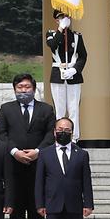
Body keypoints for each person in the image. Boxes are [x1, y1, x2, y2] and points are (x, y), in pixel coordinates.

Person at [0, 73, 54, 219]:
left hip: (38, 165)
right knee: (16, 209)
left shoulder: (45, 109)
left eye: (27, 87)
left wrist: (38, 151)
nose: (23, 90)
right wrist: (14, 151)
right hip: (14, 166)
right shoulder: (6, 109)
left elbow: (49, 134)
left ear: (34, 88)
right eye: (20, 87)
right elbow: (1, 133)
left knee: (37, 209)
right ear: (14, 89)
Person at [45, 10, 86, 140]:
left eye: (67, 17)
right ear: (57, 20)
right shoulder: (51, 34)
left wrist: (74, 70)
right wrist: (61, 28)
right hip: (58, 74)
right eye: (61, 17)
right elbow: (53, 45)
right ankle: (58, 136)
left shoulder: (76, 36)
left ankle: (74, 137)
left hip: (73, 75)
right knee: (59, 108)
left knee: (74, 108)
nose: (65, 19)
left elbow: (83, 56)